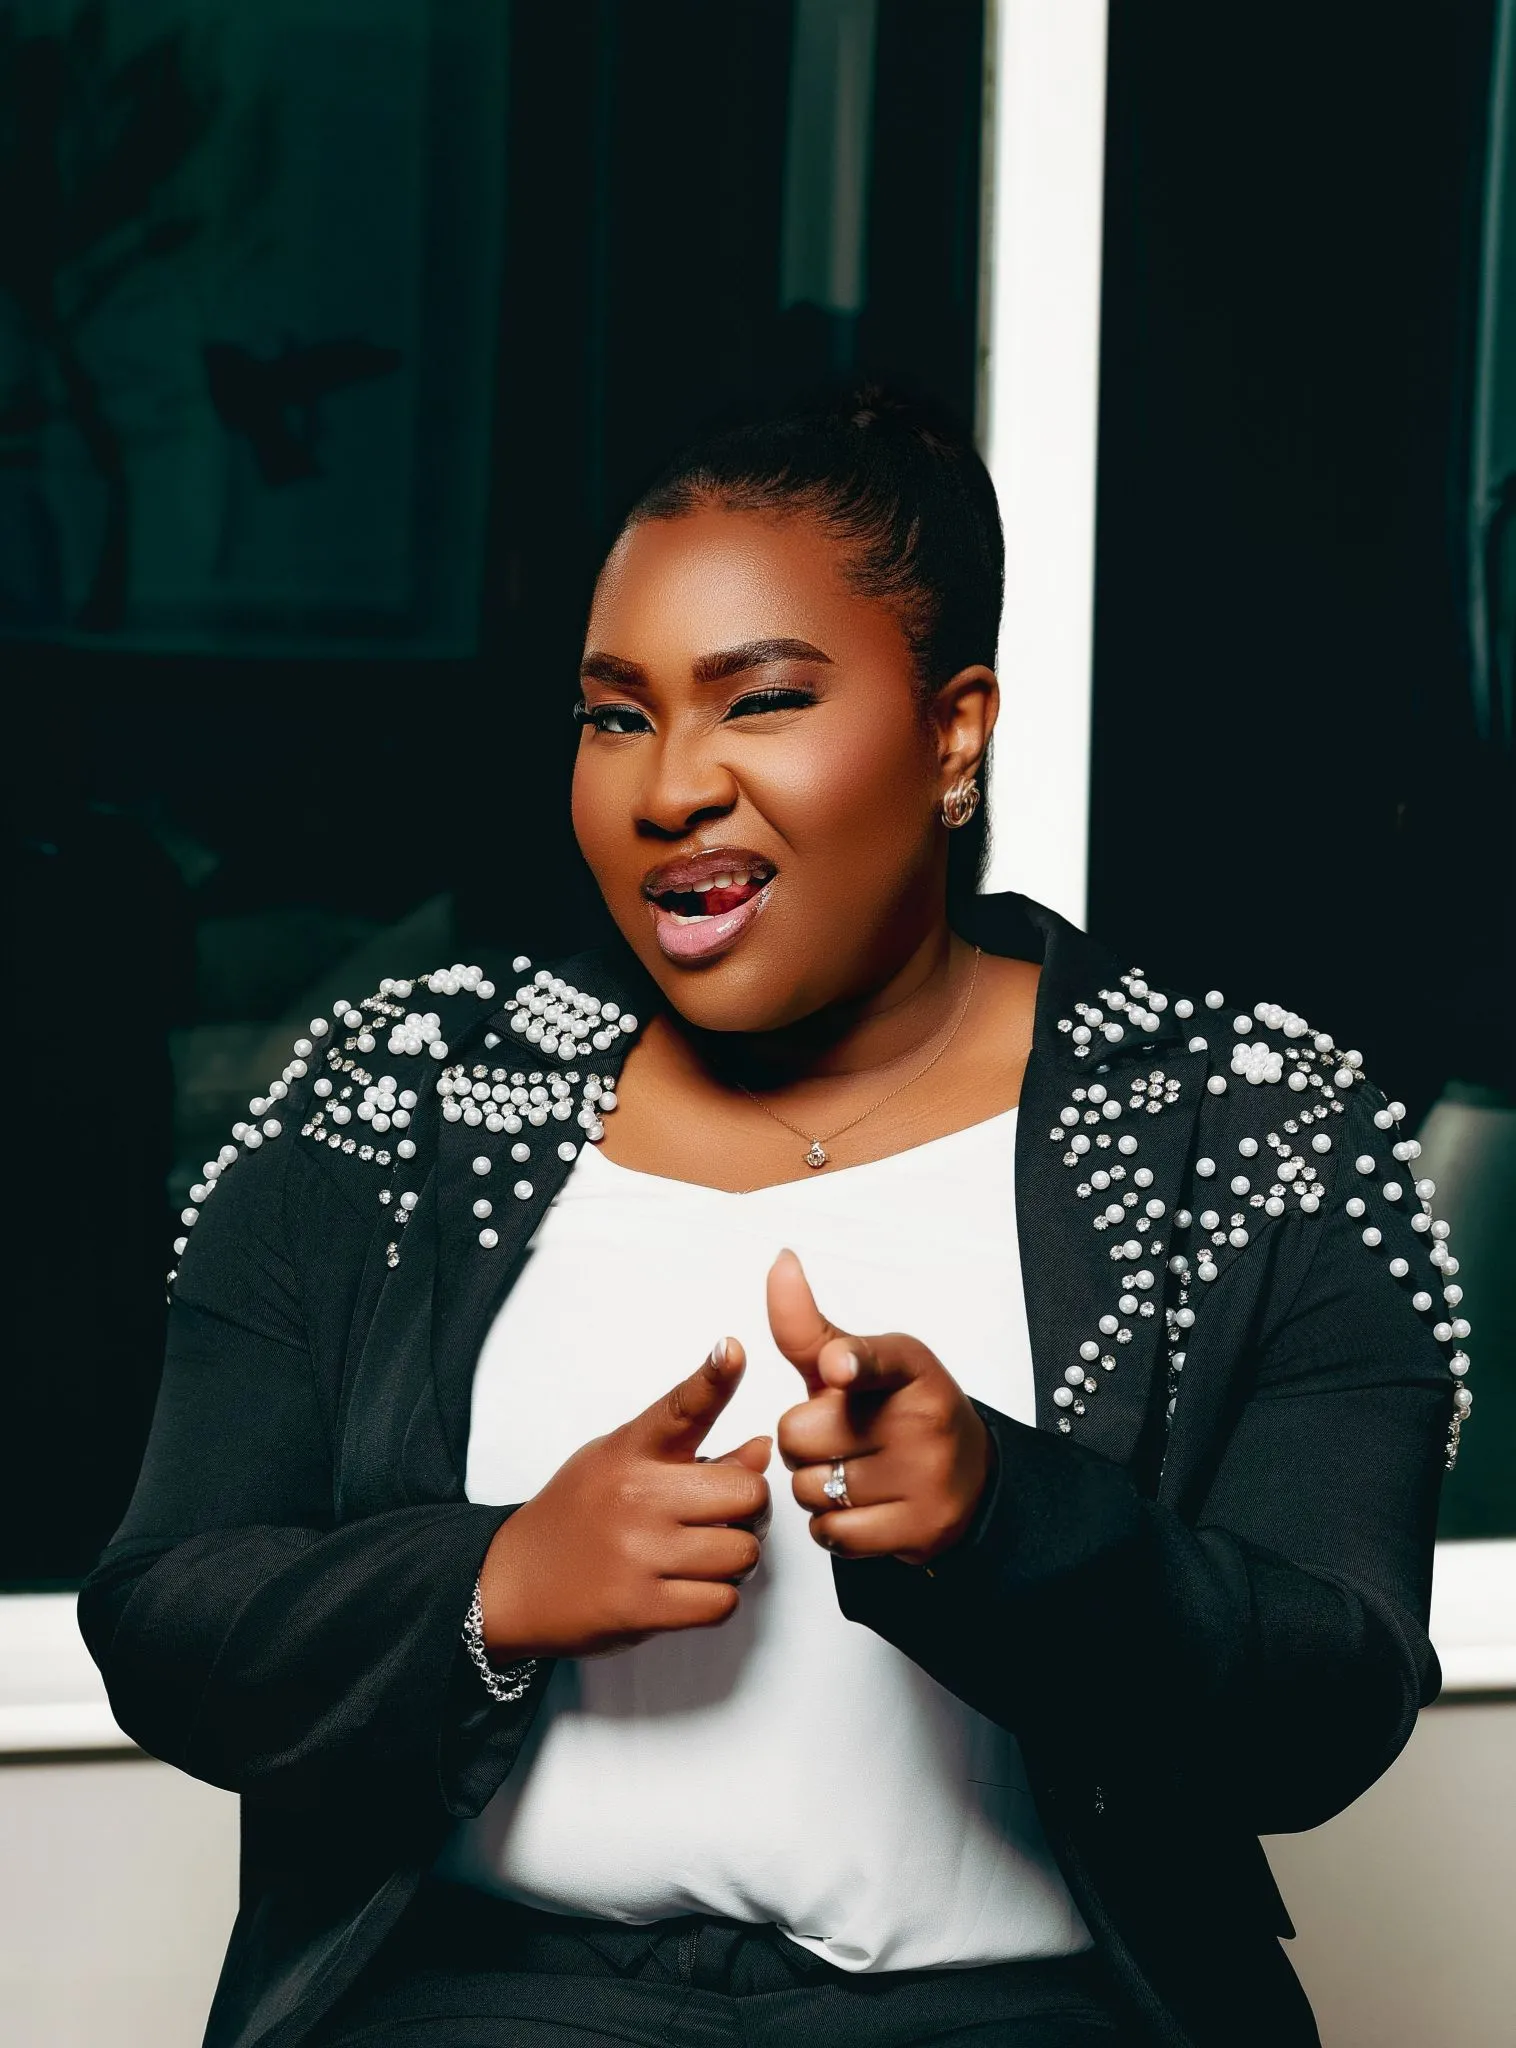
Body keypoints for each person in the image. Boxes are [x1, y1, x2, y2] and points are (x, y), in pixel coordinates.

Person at [80, 390, 1468, 2048]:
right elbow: (164, 1614)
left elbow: (1330, 1704)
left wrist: (1003, 1525)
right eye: (615, 716)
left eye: (764, 701)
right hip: (486, 2010)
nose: (672, 786)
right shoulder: (401, 1100)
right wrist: (493, 1582)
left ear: (953, 734)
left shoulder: (1245, 1132)